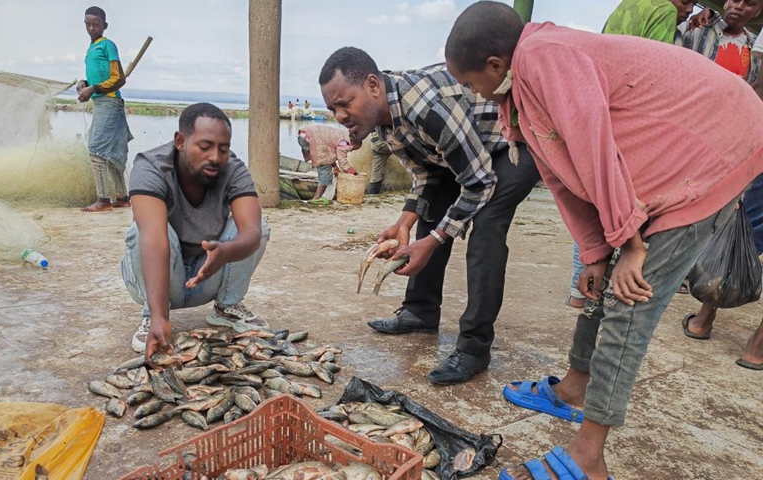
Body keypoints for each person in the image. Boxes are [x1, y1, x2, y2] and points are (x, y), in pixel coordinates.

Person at [444, 2, 763, 479]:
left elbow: (594, 147)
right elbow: (562, 177)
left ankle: (587, 458)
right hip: (668, 156)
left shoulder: (546, 57)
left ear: (494, 65)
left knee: (629, 305)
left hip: (714, 150)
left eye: (470, 84)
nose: (474, 94)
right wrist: (596, 251)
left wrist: (631, 244)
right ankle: (576, 386)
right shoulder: (522, 91)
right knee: (601, 285)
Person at [319, 47, 541, 385]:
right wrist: (404, 222)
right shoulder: (384, 120)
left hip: (514, 143)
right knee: (430, 209)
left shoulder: (425, 107)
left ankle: (474, 348)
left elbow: (480, 183)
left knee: (486, 228)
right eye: (332, 109)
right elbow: (428, 173)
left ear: (373, 85)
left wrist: (435, 240)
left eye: (344, 103)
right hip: (472, 153)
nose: (339, 116)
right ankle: (420, 311)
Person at [563, 0, 697, 309]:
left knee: (594, 204)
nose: (689, 8)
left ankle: (578, 291)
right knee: (624, 202)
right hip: (630, 116)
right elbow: (655, 73)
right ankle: (612, 285)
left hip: (602, 109)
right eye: (686, 1)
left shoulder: (629, 4)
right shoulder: (664, 10)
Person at [121, 103, 270, 359]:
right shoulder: (150, 167)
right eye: (205, 146)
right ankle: (151, 313)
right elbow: (154, 240)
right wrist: (159, 315)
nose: (216, 157)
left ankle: (226, 308)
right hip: (163, 277)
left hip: (207, 274)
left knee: (261, 225)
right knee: (142, 229)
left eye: (223, 149)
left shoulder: (233, 169)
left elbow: (252, 231)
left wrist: (228, 251)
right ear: (180, 141)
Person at [675, 0, 763, 370]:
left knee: (743, 227)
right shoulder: (702, 29)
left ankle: (704, 318)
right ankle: (757, 348)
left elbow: (760, 87)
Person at [77, 6, 133, 213]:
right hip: (102, 102)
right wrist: (84, 83)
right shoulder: (91, 48)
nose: (92, 28)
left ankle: (103, 199)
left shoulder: (108, 45)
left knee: (96, 149)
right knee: (111, 152)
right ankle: (122, 198)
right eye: (88, 24)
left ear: (104, 25)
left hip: (109, 102)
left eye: (96, 24)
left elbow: (119, 78)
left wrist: (93, 89)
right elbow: (98, 75)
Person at [675, 0, 761, 84]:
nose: (739, 6)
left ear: (757, 11)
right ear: (726, 3)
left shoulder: (757, 50)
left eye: (749, 3)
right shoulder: (695, 28)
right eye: (735, 0)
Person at [297, 124, 357, 205]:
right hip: (311, 139)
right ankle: (317, 198)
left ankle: (320, 197)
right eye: (353, 149)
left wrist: (335, 166)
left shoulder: (342, 135)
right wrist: (353, 172)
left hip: (304, 136)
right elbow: (343, 162)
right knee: (325, 169)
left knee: (325, 163)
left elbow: (329, 154)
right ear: (352, 142)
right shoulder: (345, 143)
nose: (351, 151)